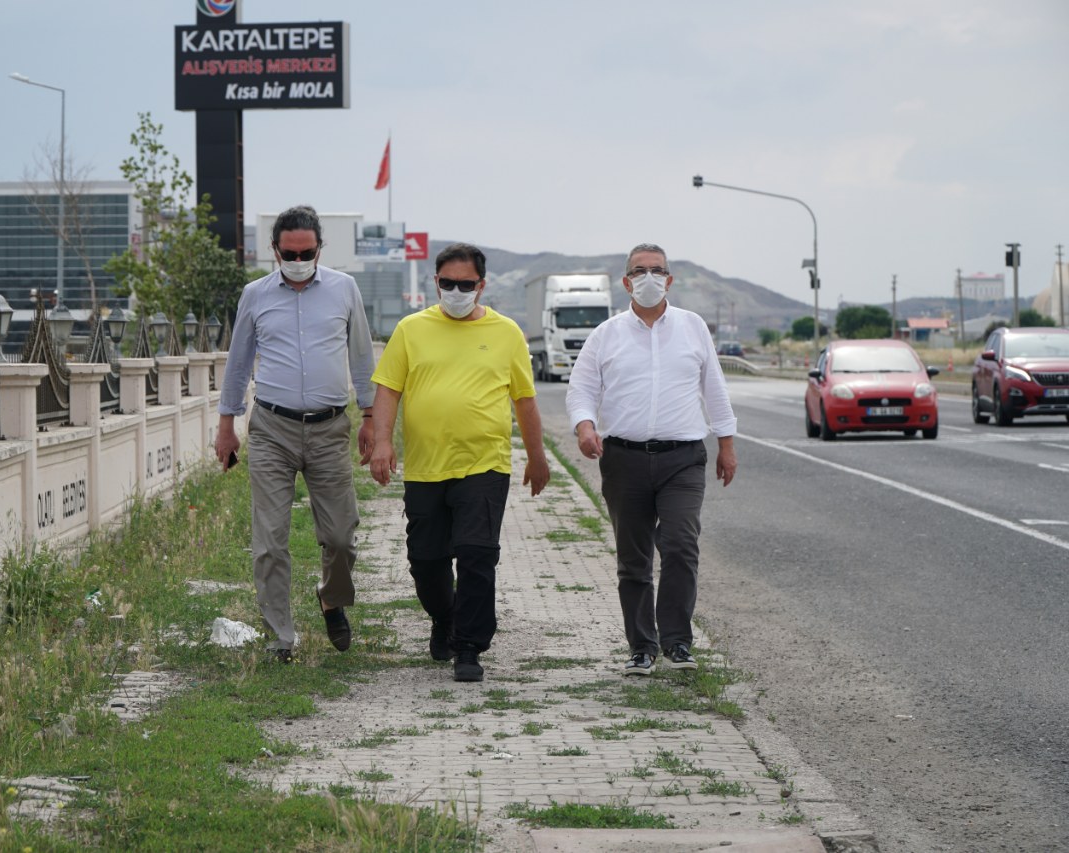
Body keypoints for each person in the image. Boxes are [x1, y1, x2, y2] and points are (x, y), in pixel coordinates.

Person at [368, 242, 550, 682]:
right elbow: (389, 389)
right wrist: (382, 443)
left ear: (481, 286)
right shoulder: (411, 330)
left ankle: (469, 646)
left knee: (476, 554)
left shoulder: (506, 333)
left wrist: (537, 456)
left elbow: (524, 400)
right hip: (425, 467)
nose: (455, 291)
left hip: (485, 464)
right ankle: (444, 617)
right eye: (447, 283)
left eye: (465, 285)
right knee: (426, 559)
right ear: (435, 282)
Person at [565, 242, 737, 677]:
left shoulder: (692, 327)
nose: (648, 278)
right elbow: (581, 388)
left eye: (656, 270)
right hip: (624, 460)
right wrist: (585, 426)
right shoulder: (606, 334)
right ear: (626, 282)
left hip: (683, 459)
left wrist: (727, 444)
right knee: (634, 559)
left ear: (669, 280)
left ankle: (677, 641)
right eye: (639, 271)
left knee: (680, 545)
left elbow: (714, 387)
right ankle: (642, 646)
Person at [215, 205, 376, 662]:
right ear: (275, 250)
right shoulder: (255, 295)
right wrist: (227, 427)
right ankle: (280, 637)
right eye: (290, 253)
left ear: (320, 248)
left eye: (307, 253)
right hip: (272, 429)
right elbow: (238, 363)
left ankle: (332, 598)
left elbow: (361, 356)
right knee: (270, 540)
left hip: (329, 428)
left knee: (341, 536)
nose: (299, 260)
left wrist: (371, 417)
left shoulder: (344, 289)